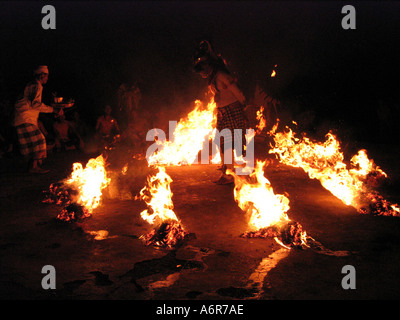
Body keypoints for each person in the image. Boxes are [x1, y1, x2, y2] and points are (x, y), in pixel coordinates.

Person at [194, 40, 249, 184]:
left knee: (228, 143)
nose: (201, 73)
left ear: (208, 65)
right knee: (222, 141)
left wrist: (244, 106)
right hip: (224, 112)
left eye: (202, 68)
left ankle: (229, 175)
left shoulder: (221, 75)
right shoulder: (213, 77)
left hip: (232, 111)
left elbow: (237, 91)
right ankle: (227, 167)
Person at [13, 65, 63, 173]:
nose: (47, 78)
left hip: (24, 118)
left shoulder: (32, 85)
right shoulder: (36, 85)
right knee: (40, 140)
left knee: (36, 142)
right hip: (24, 118)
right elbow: (35, 105)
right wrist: (53, 110)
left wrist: (52, 111)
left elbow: (34, 106)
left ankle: (34, 165)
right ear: (41, 75)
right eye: (46, 76)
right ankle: (33, 167)